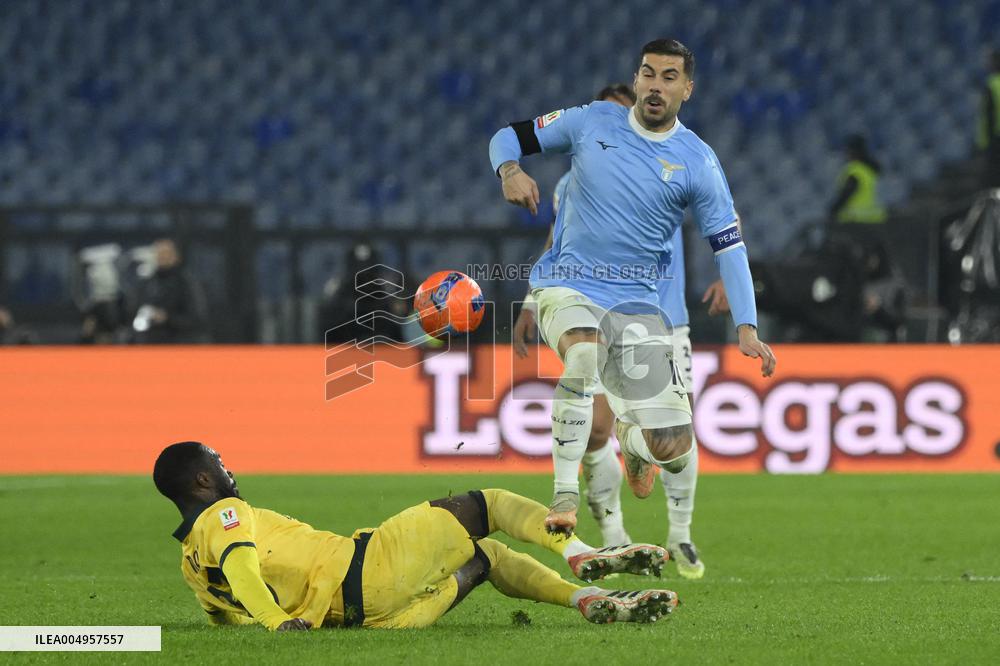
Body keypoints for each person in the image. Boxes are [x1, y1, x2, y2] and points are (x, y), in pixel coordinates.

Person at [490, 39, 775, 544]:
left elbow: (728, 246)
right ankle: (563, 496)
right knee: (581, 355)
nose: (655, 85)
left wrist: (746, 328)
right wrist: (509, 170)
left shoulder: (698, 161)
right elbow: (507, 137)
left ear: (687, 89)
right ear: (637, 78)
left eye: (669, 77)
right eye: (648, 74)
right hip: (567, 285)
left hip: (638, 305)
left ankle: (636, 445)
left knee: (674, 446)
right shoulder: (592, 120)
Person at [512, 82, 730, 578]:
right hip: (597, 307)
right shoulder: (575, 185)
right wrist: (530, 298)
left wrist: (731, 277)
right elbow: (556, 240)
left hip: (664, 316)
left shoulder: (672, 157)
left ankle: (681, 535)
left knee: (675, 434)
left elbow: (721, 216)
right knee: (597, 428)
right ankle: (614, 536)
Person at [153, 441, 679, 630]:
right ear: (203, 480)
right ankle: (582, 554)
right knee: (491, 505)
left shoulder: (190, 564)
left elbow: (222, 611)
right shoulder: (226, 513)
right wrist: (275, 625)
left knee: (487, 556)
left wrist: (264, 616)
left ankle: (590, 599)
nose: (227, 469)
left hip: (374, 620)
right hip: (366, 566)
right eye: (217, 463)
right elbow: (244, 568)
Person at [132, 239, 208, 343]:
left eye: (166, 253)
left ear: (176, 256)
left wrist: (167, 318)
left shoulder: (186, 283)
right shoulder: (148, 282)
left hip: (180, 345)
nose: (161, 257)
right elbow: (135, 310)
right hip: (150, 345)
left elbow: (197, 319)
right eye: (158, 253)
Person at [829, 135, 887, 225]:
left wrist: (832, 211)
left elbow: (845, 196)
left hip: (855, 222)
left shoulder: (855, 172)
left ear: (854, 152)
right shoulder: (872, 171)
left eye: (848, 151)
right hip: (875, 220)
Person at [977, 49, 1000, 189]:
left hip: (995, 137)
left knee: (993, 181)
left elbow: (988, 115)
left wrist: (984, 142)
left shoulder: (991, 84)